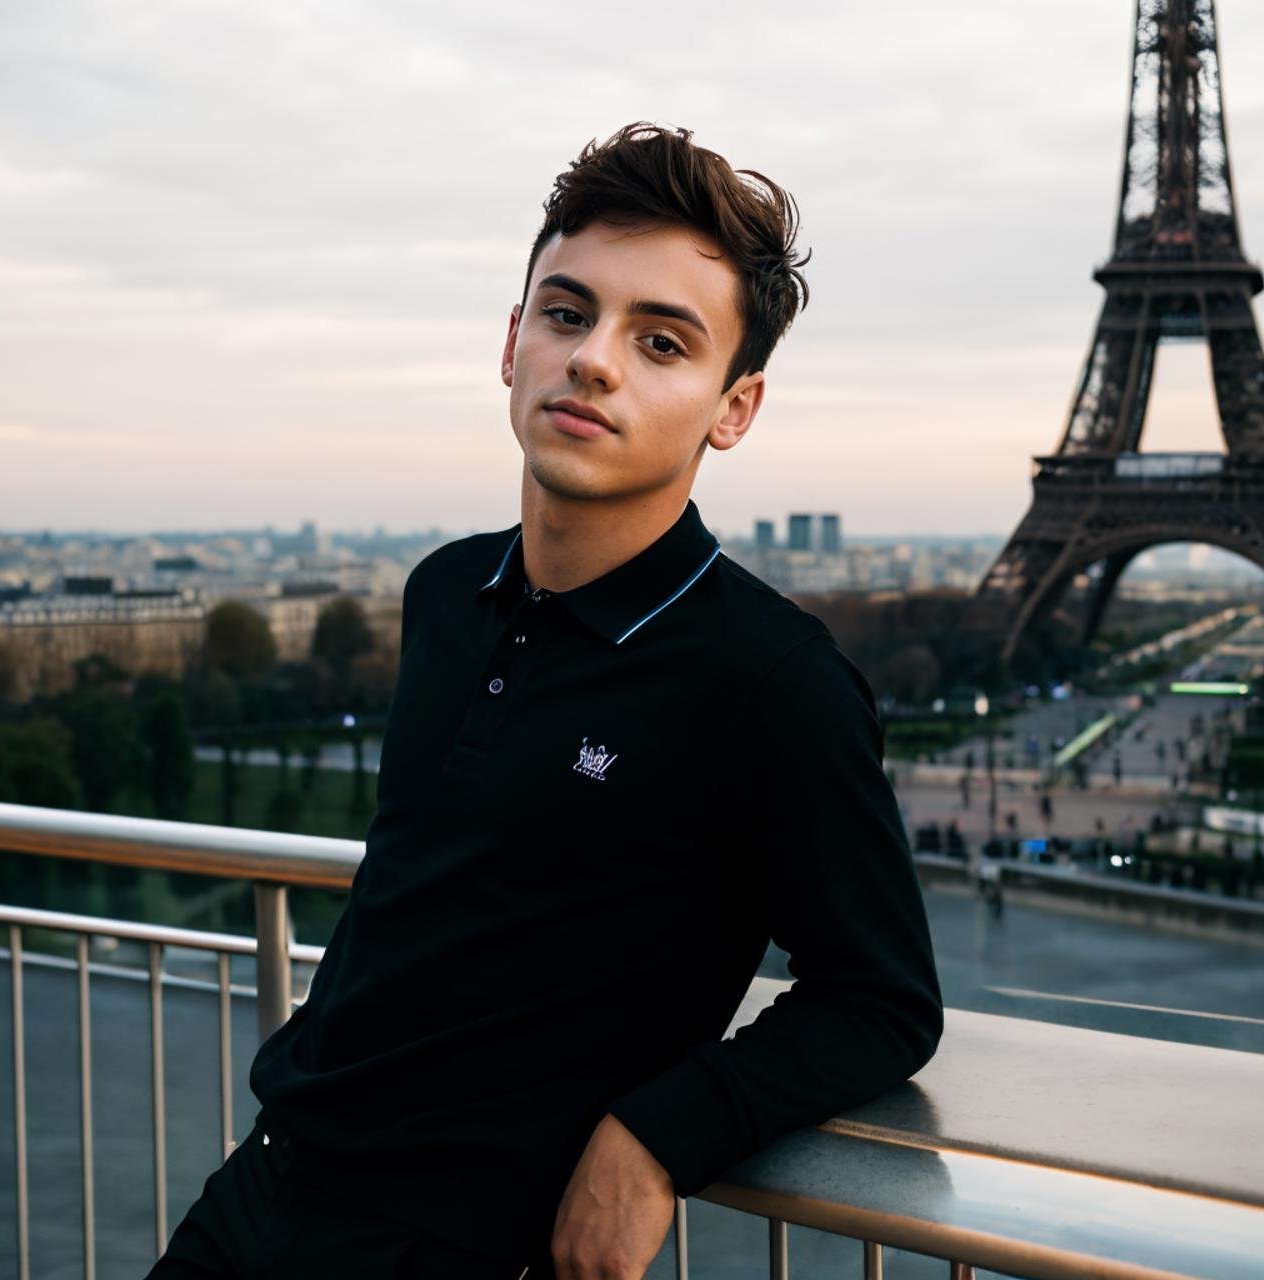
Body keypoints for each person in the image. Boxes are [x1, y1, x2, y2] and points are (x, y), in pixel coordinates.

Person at [149, 123, 943, 1280]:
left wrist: (654, 1136)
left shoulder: (774, 682)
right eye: (567, 315)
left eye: (660, 340)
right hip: (264, 1187)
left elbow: (880, 998)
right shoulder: (444, 593)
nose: (594, 360)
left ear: (735, 406)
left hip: (466, 1249)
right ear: (513, 341)